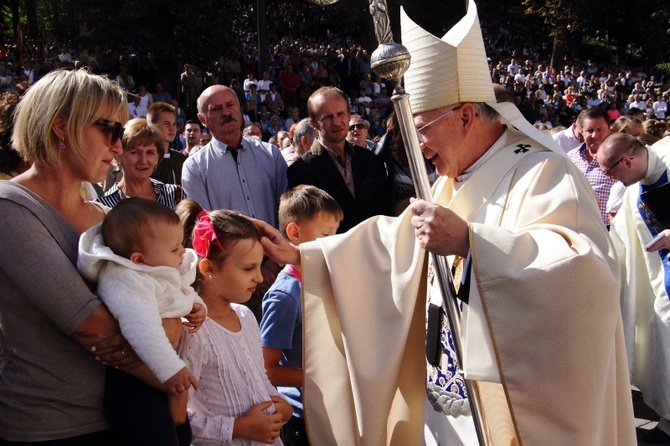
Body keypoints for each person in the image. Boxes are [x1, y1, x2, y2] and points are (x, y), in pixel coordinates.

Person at [253, 2, 635, 444]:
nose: (416, 145)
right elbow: (395, 240)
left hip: (509, 405)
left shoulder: (545, 173)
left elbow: (584, 270)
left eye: (421, 128)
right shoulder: (455, 178)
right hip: (446, 391)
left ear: (466, 116)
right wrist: (307, 253)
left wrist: (473, 243)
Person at [0, 69, 184, 443]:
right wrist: (168, 354)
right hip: (53, 427)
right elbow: (92, 326)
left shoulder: (102, 217)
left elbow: (161, 309)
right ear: (60, 126)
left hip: (130, 418)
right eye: (110, 130)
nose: (118, 147)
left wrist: (168, 324)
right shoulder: (9, 207)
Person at [78, 198, 207, 445]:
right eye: (174, 249)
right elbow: (141, 328)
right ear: (139, 258)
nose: (182, 252)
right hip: (132, 381)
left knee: (180, 433)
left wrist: (198, 307)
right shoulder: (126, 279)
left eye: (181, 245)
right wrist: (171, 369)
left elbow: (178, 291)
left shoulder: (153, 269)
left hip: (160, 370)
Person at [176, 200, 293, 445]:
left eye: (259, 266)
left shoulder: (246, 315)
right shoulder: (192, 331)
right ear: (208, 268)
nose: (259, 277)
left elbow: (258, 377)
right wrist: (238, 428)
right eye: (248, 268)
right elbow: (178, 416)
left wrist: (280, 405)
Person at [182, 84, 288, 321]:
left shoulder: (271, 155)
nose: (226, 112)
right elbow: (205, 228)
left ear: (240, 109)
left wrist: (270, 265)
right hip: (233, 283)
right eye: (216, 109)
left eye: (230, 105)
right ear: (203, 118)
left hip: (279, 271)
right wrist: (246, 270)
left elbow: (286, 214)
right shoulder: (195, 168)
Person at [259, 185, 343, 446]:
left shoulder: (324, 277)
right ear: (294, 232)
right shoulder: (285, 296)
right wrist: (317, 374)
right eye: (326, 234)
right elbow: (268, 369)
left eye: (336, 233)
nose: (333, 242)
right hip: (301, 415)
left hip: (329, 403)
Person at [601, 134, 670, 444]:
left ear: (627, 162)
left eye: (610, 172)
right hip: (662, 283)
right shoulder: (632, 194)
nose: (611, 180)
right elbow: (619, 243)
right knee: (662, 339)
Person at [287, 86, 393, 233]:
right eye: (328, 117)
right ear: (314, 123)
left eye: (340, 114)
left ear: (349, 115)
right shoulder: (301, 171)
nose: (336, 122)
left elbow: (383, 208)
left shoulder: (368, 159)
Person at [97, 118, 187, 210]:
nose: (143, 160)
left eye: (150, 153)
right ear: (119, 155)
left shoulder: (177, 197)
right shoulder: (104, 206)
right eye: (135, 152)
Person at [567, 107, 617, 226]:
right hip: (577, 227)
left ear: (609, 129)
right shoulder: (570, 158)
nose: (595, 135)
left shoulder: (619, 158)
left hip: (608, 228)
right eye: (590, 130)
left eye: (600, 129)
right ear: (581, 131)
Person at [148, 101, 188, 186]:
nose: (172, 128)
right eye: (167, 124)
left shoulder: (181, 159)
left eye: (174, 124)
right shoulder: (146, 160)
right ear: (152, 126)